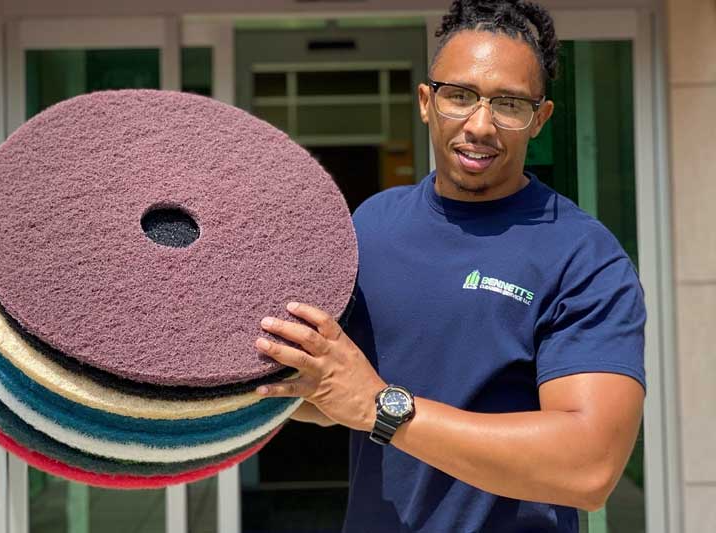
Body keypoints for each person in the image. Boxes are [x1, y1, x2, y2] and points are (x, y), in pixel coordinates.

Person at [253, 1, 646, 531]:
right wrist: (250, 391)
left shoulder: (582, 257)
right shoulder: (373, 224)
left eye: (508, 104)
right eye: (459, 96)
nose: (480, 125)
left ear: (540, 119)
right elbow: (337, 397)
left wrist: (382, 407)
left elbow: (589, 467)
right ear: (426, 101)